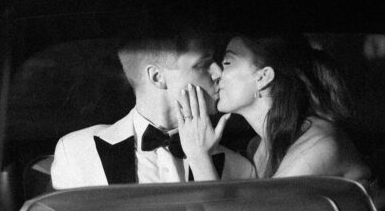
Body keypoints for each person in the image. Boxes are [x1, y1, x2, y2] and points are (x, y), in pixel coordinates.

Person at [50, 34, 254, 188]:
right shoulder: (77, 152)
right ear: (157, 77)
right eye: (202, 65)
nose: (218, 73)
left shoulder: (240, 169)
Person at [177, 34, 371, 184]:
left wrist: (199, 157)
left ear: (263, 77)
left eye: (227, 62)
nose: (216, 73)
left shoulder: (319, 146)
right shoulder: (258, 148)